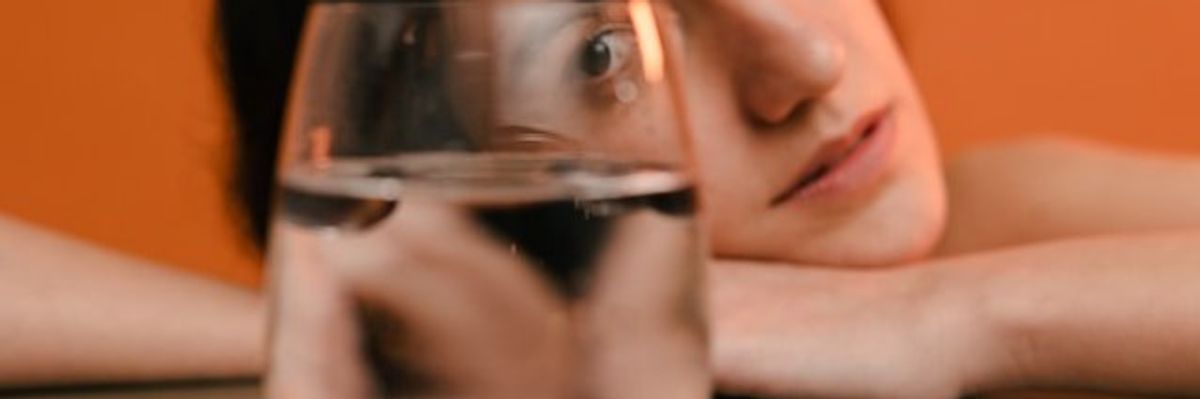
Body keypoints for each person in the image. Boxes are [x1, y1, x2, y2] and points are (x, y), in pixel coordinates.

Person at [2, 0, 1199, 397]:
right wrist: (386, 332)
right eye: (599, 54)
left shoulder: (1004, 223)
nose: (806, 61)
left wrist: (938, 319)